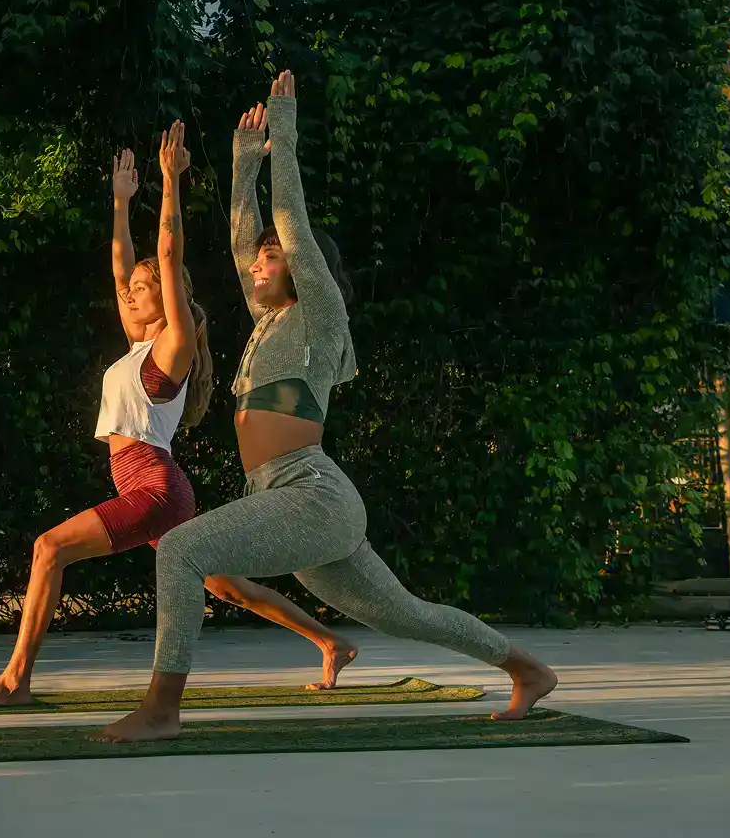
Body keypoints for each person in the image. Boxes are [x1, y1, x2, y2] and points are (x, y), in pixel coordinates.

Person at [95, 73, 559, 742]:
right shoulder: (267, 319)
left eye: (273, 258)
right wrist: (241, 163)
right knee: (405, 613)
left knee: (180, 551)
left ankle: (163, 708)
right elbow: (242, 236)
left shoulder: (320, 313)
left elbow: (291, 224)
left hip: (310, 492)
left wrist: (283, 129)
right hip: (288, 496)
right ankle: (529, 669)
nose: (259, 263)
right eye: (260, 260)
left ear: (306, 268)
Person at [0, 121, 357, 710]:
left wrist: (170, 182)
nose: (131, 292)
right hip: (150, 485)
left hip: (152, 484)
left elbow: (167, 254)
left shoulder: (175, 348)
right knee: (225, 585)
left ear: (167, 297)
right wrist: (120, 203)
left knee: (48, 549)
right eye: (134, 288)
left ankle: (16, 679)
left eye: (145, 288)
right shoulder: (137, 345)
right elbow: (121, 269)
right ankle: (329, 641)